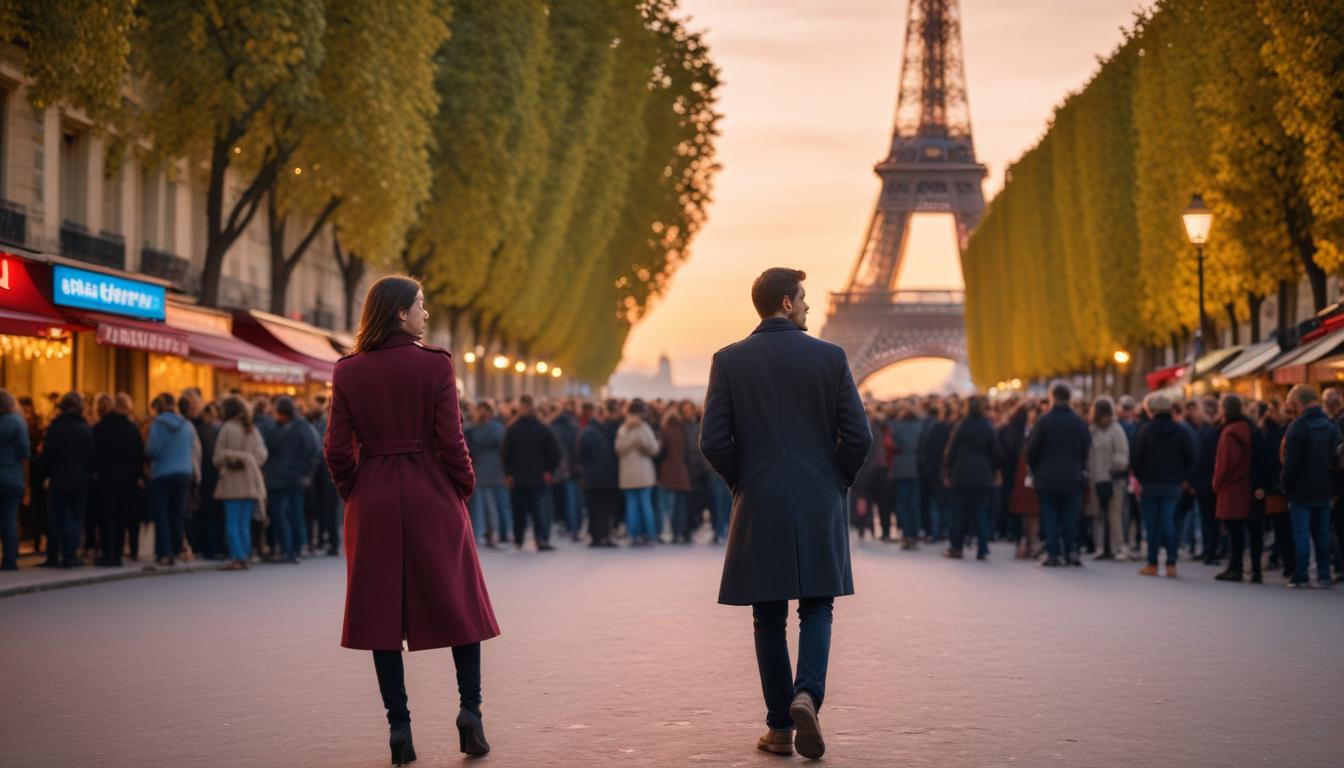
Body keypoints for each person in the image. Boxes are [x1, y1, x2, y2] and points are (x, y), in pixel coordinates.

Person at [324, 275, 499, 760]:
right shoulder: (435, 366)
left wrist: (354, 492)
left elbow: (336, 449)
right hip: (432, 493)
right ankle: (471, 711)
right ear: (401, 313)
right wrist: (461, 488)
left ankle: (399, 728)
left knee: (381, 615)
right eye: (420, 305)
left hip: (373, 497)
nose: (426, 313)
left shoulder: (349, 371)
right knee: (461, 607)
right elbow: (452, 441)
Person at [700, 268, 871, 760]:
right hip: (818, 496)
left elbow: (712, 440)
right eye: (804, 298)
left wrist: (744, 480)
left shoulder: (728, 360)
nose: (809, 307)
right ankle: (807, 694)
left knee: (767, 616)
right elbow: (859, 436)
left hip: (759, 497)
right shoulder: (830, 357)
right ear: (786, 303)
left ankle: (779, 729)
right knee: (819, 604)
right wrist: (835, 480)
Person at [1279, 384, 1340, 588]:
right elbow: (1337, 461)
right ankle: (1324, 575)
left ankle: (1301, 575)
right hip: (1325, 489)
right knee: (1322, 534)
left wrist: (1286, 486)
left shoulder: (1297, 426)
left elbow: (1291, 463)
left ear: (1298, 403)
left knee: (1301, 534)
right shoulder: (1331, 426)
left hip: (1301, 490)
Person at [1025, 382, 1091, 567]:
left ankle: (1053, 553)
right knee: (1070, 516)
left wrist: (1036, 469)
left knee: (1050, 516)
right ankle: (1071, 551)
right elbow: (1086, 448)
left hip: (1047, 476)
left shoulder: (1044, 421)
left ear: (1052, 397)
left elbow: (1031, 450)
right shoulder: (1078, 422)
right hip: (1072, 475)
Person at [1132, 393, 1194, 578]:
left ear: (1151, 411)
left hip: (1150, 483)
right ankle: (1171, 563)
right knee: (1169, 522)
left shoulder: (1145, 430)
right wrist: (1184, 478)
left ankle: (1152, 563)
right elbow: (1190, 456)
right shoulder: (1181, 431)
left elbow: (1136, 458)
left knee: (1151, 524)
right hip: (1173, 483)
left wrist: (1142, 478)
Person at [33, 392, 95, 568]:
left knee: (57, 518)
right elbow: (92, 457)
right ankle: (70, 554)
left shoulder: (55, 428)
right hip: (80, 479)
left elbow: (47, 456)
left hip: (59, 478)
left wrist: (43, 475)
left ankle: (53, 555)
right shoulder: (85, 429)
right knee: (75, 517)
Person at [145, 392, 201, 568]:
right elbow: (193, 447)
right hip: (184, 471)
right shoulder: (187, 424)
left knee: (162, 513)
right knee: (178, 513)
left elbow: (152, 450)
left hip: (163, 473)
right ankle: (177, 549)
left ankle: (165, 552)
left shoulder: (158, 424)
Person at [213, 396, 268, 571]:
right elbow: (262, 455)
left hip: (232, 482)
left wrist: (234, 456)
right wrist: (249, 461)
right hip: (251, 481)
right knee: (244, 522)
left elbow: (217, 456)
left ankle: (238, 557)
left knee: (232, 522)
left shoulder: (227, 428)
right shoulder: (253, 429)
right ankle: (245, 555)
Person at [263, 396, 320, 564]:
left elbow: (312, 452)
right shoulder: (302, 428)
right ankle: (294, 548)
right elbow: (313, 451)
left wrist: (306, 473)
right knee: (293, 513)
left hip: (284, 478)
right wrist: (306, 473)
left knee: (285, 514)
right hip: (289, 478)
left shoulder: (278, 429)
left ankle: (291, 549)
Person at [942, 395, 1000, 560]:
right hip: (983, 474)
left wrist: (946, 470)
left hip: (961, 474)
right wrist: (995, 471)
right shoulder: (988, 427)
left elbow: (950, 451)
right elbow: (996, 452)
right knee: (981, 511)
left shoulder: (961, 426)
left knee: (959, 513)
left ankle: (956, 547)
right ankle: (982, 548)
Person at [500, 394, 560, 551]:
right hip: (537, 475)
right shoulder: (541, 428)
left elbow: (505, 454)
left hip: (521, 476)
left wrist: (508, 473)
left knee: (521, 510)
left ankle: (520, 539)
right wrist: (548, 470)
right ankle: (540, 539)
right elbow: (554, 452)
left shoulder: (513, 429)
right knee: (538, 510)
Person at [91, 393, 144, 567]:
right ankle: (118, 554)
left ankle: (106, 553)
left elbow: (94, 454)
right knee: (121, 518)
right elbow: (139, 456)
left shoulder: (101, 428)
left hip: (106, 479)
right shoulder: (132, 429)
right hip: (127, 481)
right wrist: (138, 476)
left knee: (106, 518)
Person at [1212, 394, 1260, 583]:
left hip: (1233, 487)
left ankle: (1235, 567)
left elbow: (1225, 463)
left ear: (1225, 410)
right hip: (1249, 485)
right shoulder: (1250, 428)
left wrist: (1217, 482)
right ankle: (1255, 570)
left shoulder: (1230, 432)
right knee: (1252, 531)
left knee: (1234, 531)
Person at [1086, 397, 1129, 561]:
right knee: (1099, 513)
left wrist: (1112, 465)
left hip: (1112, 478)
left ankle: (1116, 545)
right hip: (1096, 478)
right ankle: (1101, 545)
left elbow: (1122, 454)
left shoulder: (1116, 429)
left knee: (1114, 513)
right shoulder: (1093, 430)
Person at [465, 401, 511, 547]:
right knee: (486, 505)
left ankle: (492, 533)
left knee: (491, 505)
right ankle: (488, 534)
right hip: (486, 469)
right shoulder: (476, 428)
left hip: (489, 469)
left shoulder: (484, 428)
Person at [576, 402, 621, 548]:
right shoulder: (607, 431)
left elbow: (581, 454)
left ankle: (596, 536)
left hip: (590, 476)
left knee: (593, 508)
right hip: (607, 476)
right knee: (605, 508)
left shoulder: (587, 431)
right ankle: (604, 535)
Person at [615, 399, 659, 546]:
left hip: (627, 475)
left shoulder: (623, 429)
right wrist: (639, 441)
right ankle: (650, 535)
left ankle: (633, 536)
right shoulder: (644, 428)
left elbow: (619, 449)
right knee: (646, 506)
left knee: (632, 506)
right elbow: (653, 448)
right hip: (644, 473)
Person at [0, 388, 30, 570]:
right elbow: (25, 453)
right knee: (10, 518)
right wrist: (26, 481)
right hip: (12, 475)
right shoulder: (18, 422)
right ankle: (10, 559)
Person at [885, 402, 923, 548]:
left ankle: (906, 534)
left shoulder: (896, 427)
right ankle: (915, 533)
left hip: (900, 468)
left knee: (903, 503)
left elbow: (891, 444)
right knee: (914, 503)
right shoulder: (920, 426)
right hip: (916, 468)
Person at [658, 404, 694, 544]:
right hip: (682, 473)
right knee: (681, 506)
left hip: (668, 474)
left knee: (670, 506)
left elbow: (662, 452)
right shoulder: (682, 431)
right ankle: (683, 533)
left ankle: (674, 533)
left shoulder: (666, 431)